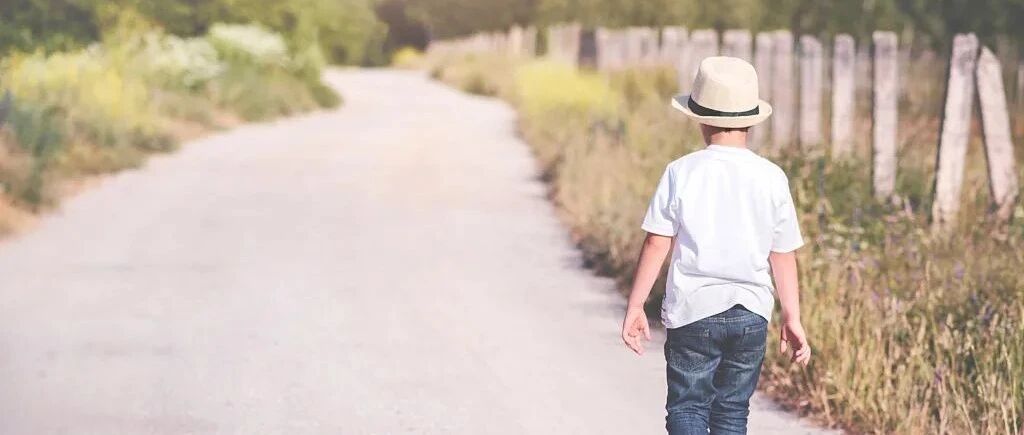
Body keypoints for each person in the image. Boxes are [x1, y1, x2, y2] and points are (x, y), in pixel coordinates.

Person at [620, 56, 811, 435]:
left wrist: (635, 305)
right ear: (751, 121)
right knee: (731, 413)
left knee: (689, 407)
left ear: (700, 119)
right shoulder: (771, 177)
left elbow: (658, 242)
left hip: (694, 309)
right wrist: (793, 317)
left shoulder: (681, 171)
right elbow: (783, 253)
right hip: (751, 314)